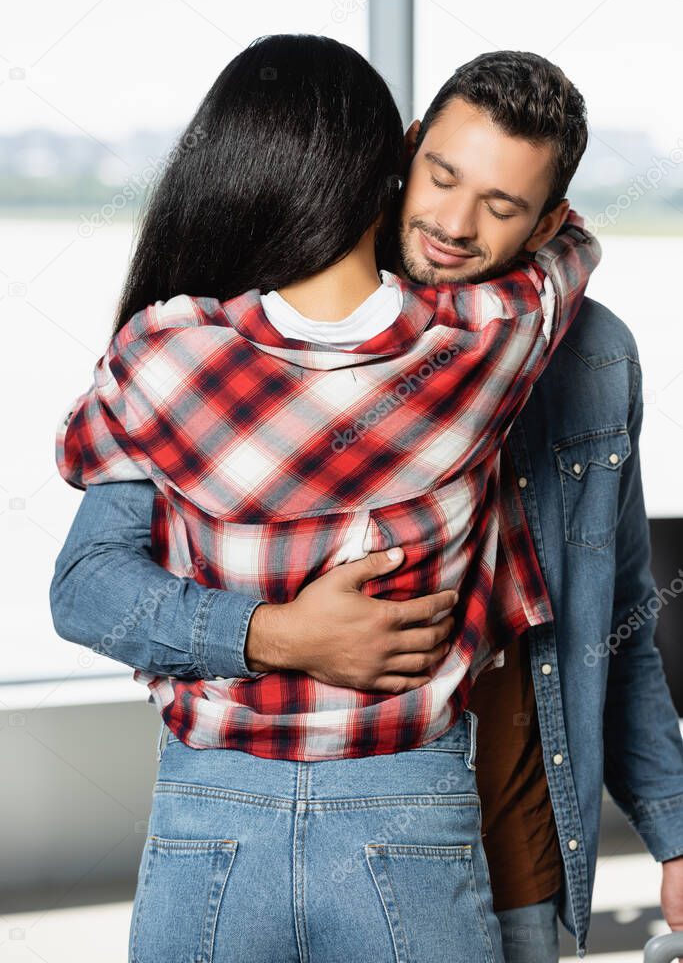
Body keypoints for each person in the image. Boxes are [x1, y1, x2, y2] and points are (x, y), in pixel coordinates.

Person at [50, 47, 683, 961]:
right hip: (348, 810)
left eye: (502, 207)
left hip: (508, 854)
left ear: (547, 219)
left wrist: (671, 829)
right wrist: (278, 633)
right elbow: (91, 584)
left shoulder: (587, 356)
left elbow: (617, 618)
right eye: (441, 177)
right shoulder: (236, 345)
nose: (456, 226)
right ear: (404, 149)